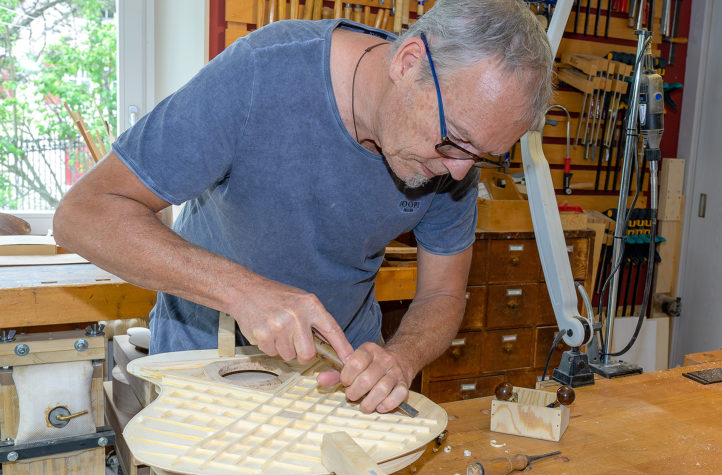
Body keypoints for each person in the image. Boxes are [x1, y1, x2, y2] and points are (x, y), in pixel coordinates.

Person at [54, 0, 554, 416]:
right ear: (408, 64)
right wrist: (243, 292)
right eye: (455, 141)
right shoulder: (261, 75)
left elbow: (442, 294)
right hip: (206, 362)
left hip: (337, 383)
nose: (462, 171)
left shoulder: (457, 150)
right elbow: (83, 215)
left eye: (480, 155)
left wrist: (400, 359)